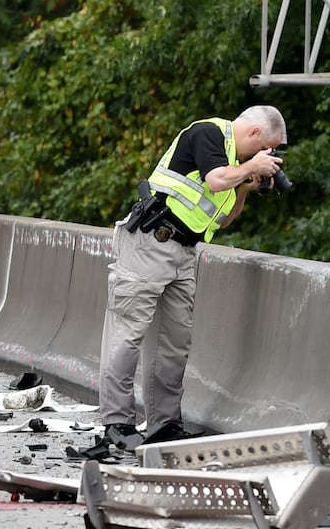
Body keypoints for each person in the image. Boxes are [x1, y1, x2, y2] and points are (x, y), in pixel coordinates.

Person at [96, 106, 287, 449]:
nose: (264, 156)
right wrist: (248, 167)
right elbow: (214, 179)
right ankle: (117, 424)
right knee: (127, 334)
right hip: (150, 241)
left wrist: (245, 186)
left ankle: (164, 424)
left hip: (183, 252)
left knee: (174, 343)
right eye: (264, 149)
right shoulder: (209, 133)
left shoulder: (234, 164)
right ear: (255, 133)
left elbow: (225, 219)